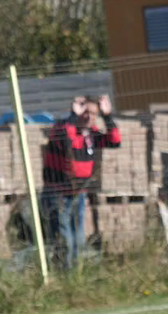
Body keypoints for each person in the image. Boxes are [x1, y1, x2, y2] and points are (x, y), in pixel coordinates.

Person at [41, 95, 120, 269]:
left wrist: (107, 116)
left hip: (77, 194)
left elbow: (115, 141)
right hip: (58, 194)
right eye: (85, 112)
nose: (89, 116)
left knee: (78, 240)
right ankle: (63, 275)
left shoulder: (91, 135)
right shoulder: (62, 127)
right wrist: (72, 116)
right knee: (64, 240)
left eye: (93, 113)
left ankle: (75, 276)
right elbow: (64, 140)